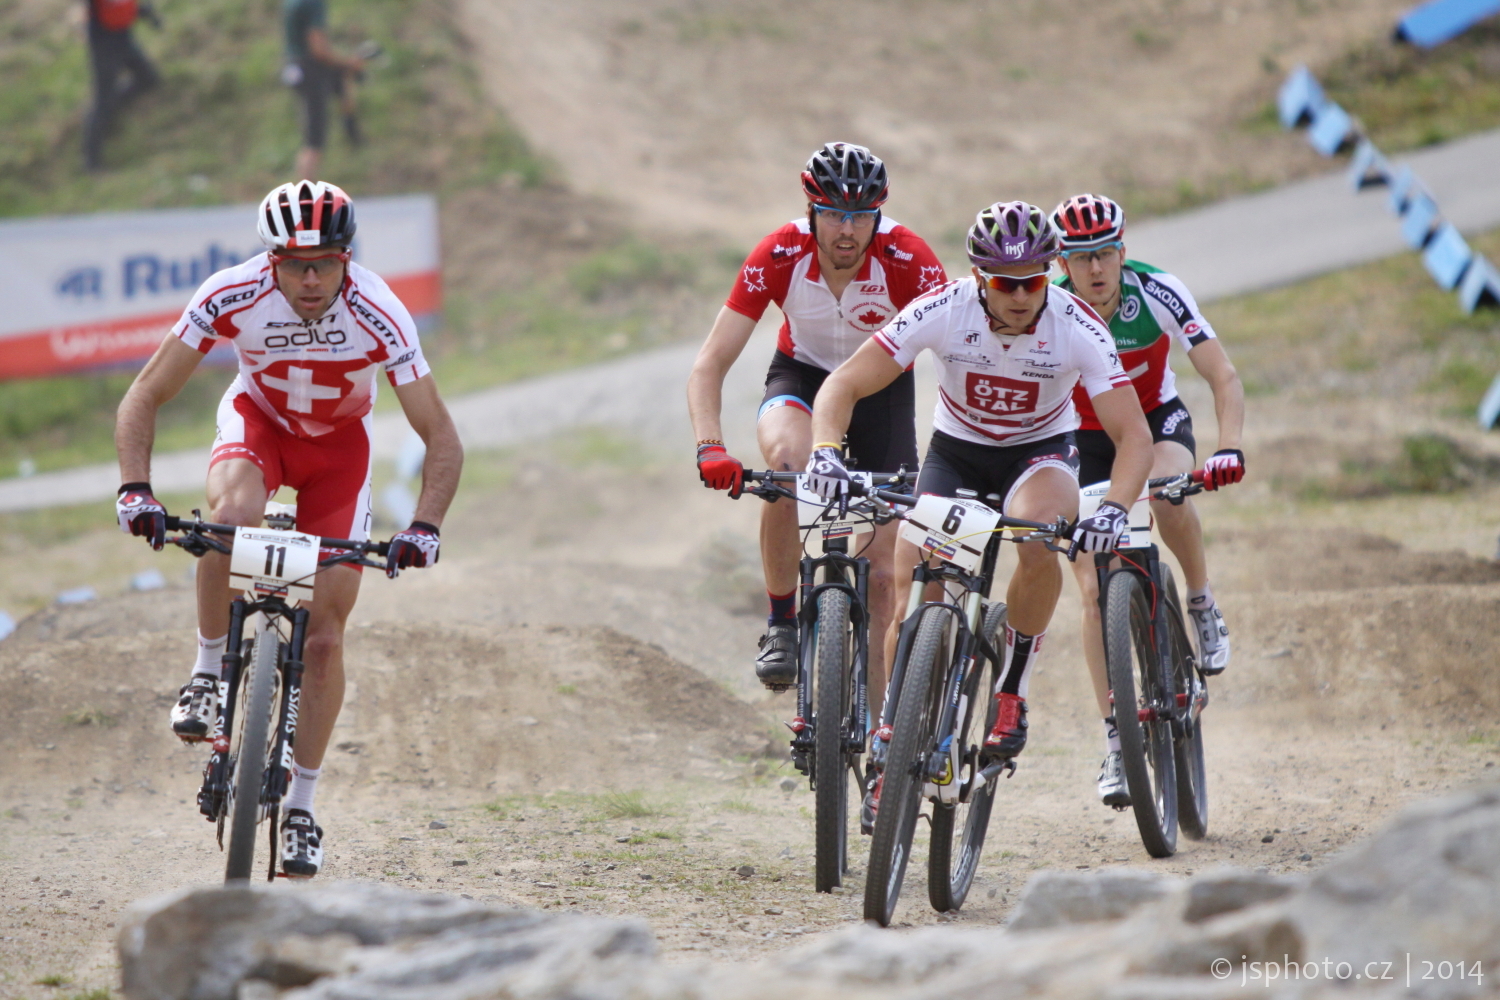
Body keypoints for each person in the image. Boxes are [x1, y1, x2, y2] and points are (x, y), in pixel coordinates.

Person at [115, 180, 463, 878]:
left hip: (339, 452)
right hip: (261, 428)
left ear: (346, 260)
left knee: (327, 639)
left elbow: (441, 436)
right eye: (297, 265)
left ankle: (300, 805)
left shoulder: (380, 311)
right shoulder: (230, 292)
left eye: (325, 264)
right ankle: (208, 672)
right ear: (271, 260)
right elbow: (146, 392)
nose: (311, 280)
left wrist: (424, 525)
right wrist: (135, 488)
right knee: (227, 524)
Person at [805, 200, 1154, 826]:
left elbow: (1134, 436)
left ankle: (1012, 688)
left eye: (1033, 282)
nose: (1020, 296)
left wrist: (1114, 510)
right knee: (916, 587)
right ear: (978, 277)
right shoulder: (945, 307)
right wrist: (826, 451)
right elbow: (844, 384)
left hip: (1038, 455)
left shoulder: (1076, 324)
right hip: (956, 455)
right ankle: (891, 740)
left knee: (1040, 539)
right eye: (1004, 283)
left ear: (1049, 274)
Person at [686, 142, 946, 698]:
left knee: (883, 580)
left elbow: (962, 353)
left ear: (879, 214)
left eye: (861, 216)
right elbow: (709, 363)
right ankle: (781, 623)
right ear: (810, 211)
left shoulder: (910, 258)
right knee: (786, 467)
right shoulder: (780, 253)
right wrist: (710, 446)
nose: (846, 231)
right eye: (832, 214)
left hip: (880, 390)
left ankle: (878, 728)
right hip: (800, 377)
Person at [1049, 193, 1245, 809]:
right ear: (1062, 264)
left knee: (1165, 495)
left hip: (1155, 421)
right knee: (1090, 587)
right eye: (1082, 258)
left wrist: (1228, 448)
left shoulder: (1157, 290)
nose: (1096, 268)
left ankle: (1200, 600)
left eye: (1106, 253)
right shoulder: (1049, 308)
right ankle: (1117, 738)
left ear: (1123, 252)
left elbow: (1222, 375)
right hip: (1082, 438)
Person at [282, 0, 366, 179]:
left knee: (341, 80)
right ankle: (306, 190)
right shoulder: (314, 3)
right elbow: (318, 49)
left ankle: (351, 128)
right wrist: (347, 63)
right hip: (311, 70)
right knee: (314, 142)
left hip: (293, 66)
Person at [82, 0, 161, 172]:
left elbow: (124, 6)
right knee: (103, 100)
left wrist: (146, 14)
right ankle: (91, 162)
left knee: (149, 79)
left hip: (124, 37)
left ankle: (112, 108)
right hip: (103, 44)